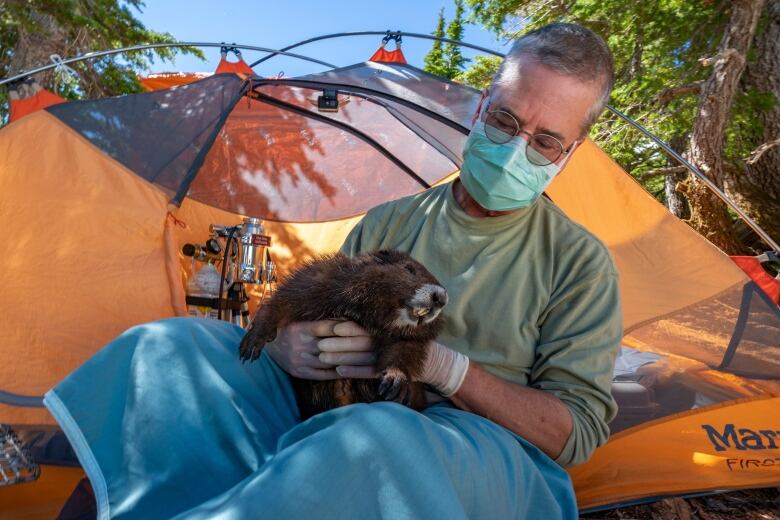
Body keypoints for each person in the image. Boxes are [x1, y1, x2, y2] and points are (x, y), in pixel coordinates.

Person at [45, 23, 621, 519]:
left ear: (571, 151)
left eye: (545, 141)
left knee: (372, 441)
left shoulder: (580, 263)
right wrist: (285, 347)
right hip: (350, 403)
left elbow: (575, 435)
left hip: (481, 446)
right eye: (503, 120)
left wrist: (445, 369)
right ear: (478, 108)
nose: (516, 149)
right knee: (172, 346)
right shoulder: (390, 224)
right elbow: (318, 301)